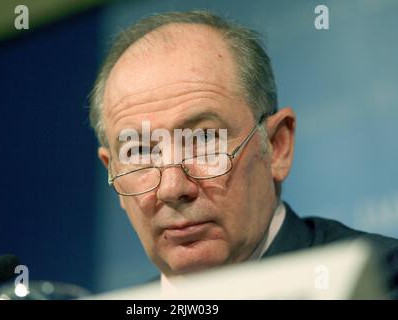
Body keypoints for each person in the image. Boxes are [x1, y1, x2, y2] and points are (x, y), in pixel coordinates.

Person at [89, 11, 398, 295]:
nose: (172, 188)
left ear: (277, 146)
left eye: (205, 139)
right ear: (113, 173)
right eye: (140, 152)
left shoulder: (380, 281)